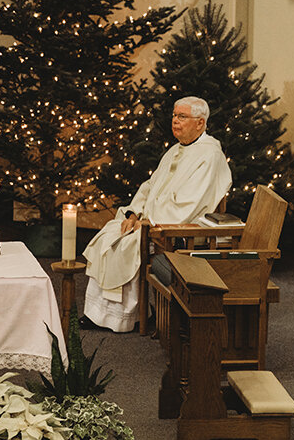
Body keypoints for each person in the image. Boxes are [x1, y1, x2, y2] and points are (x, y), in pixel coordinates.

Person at [81, 96, 231, 332]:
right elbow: (150, 186)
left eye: (182, 116)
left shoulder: (209, 155)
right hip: (152, 221)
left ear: (200, 123)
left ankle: (126, 318)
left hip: (180, 229)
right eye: (174, 115)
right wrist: (133, 214)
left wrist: (149, 222)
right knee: (112, 232)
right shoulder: (175, 150)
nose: (175, 121)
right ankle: (100, 314)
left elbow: (190, 205)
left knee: (126, 244)